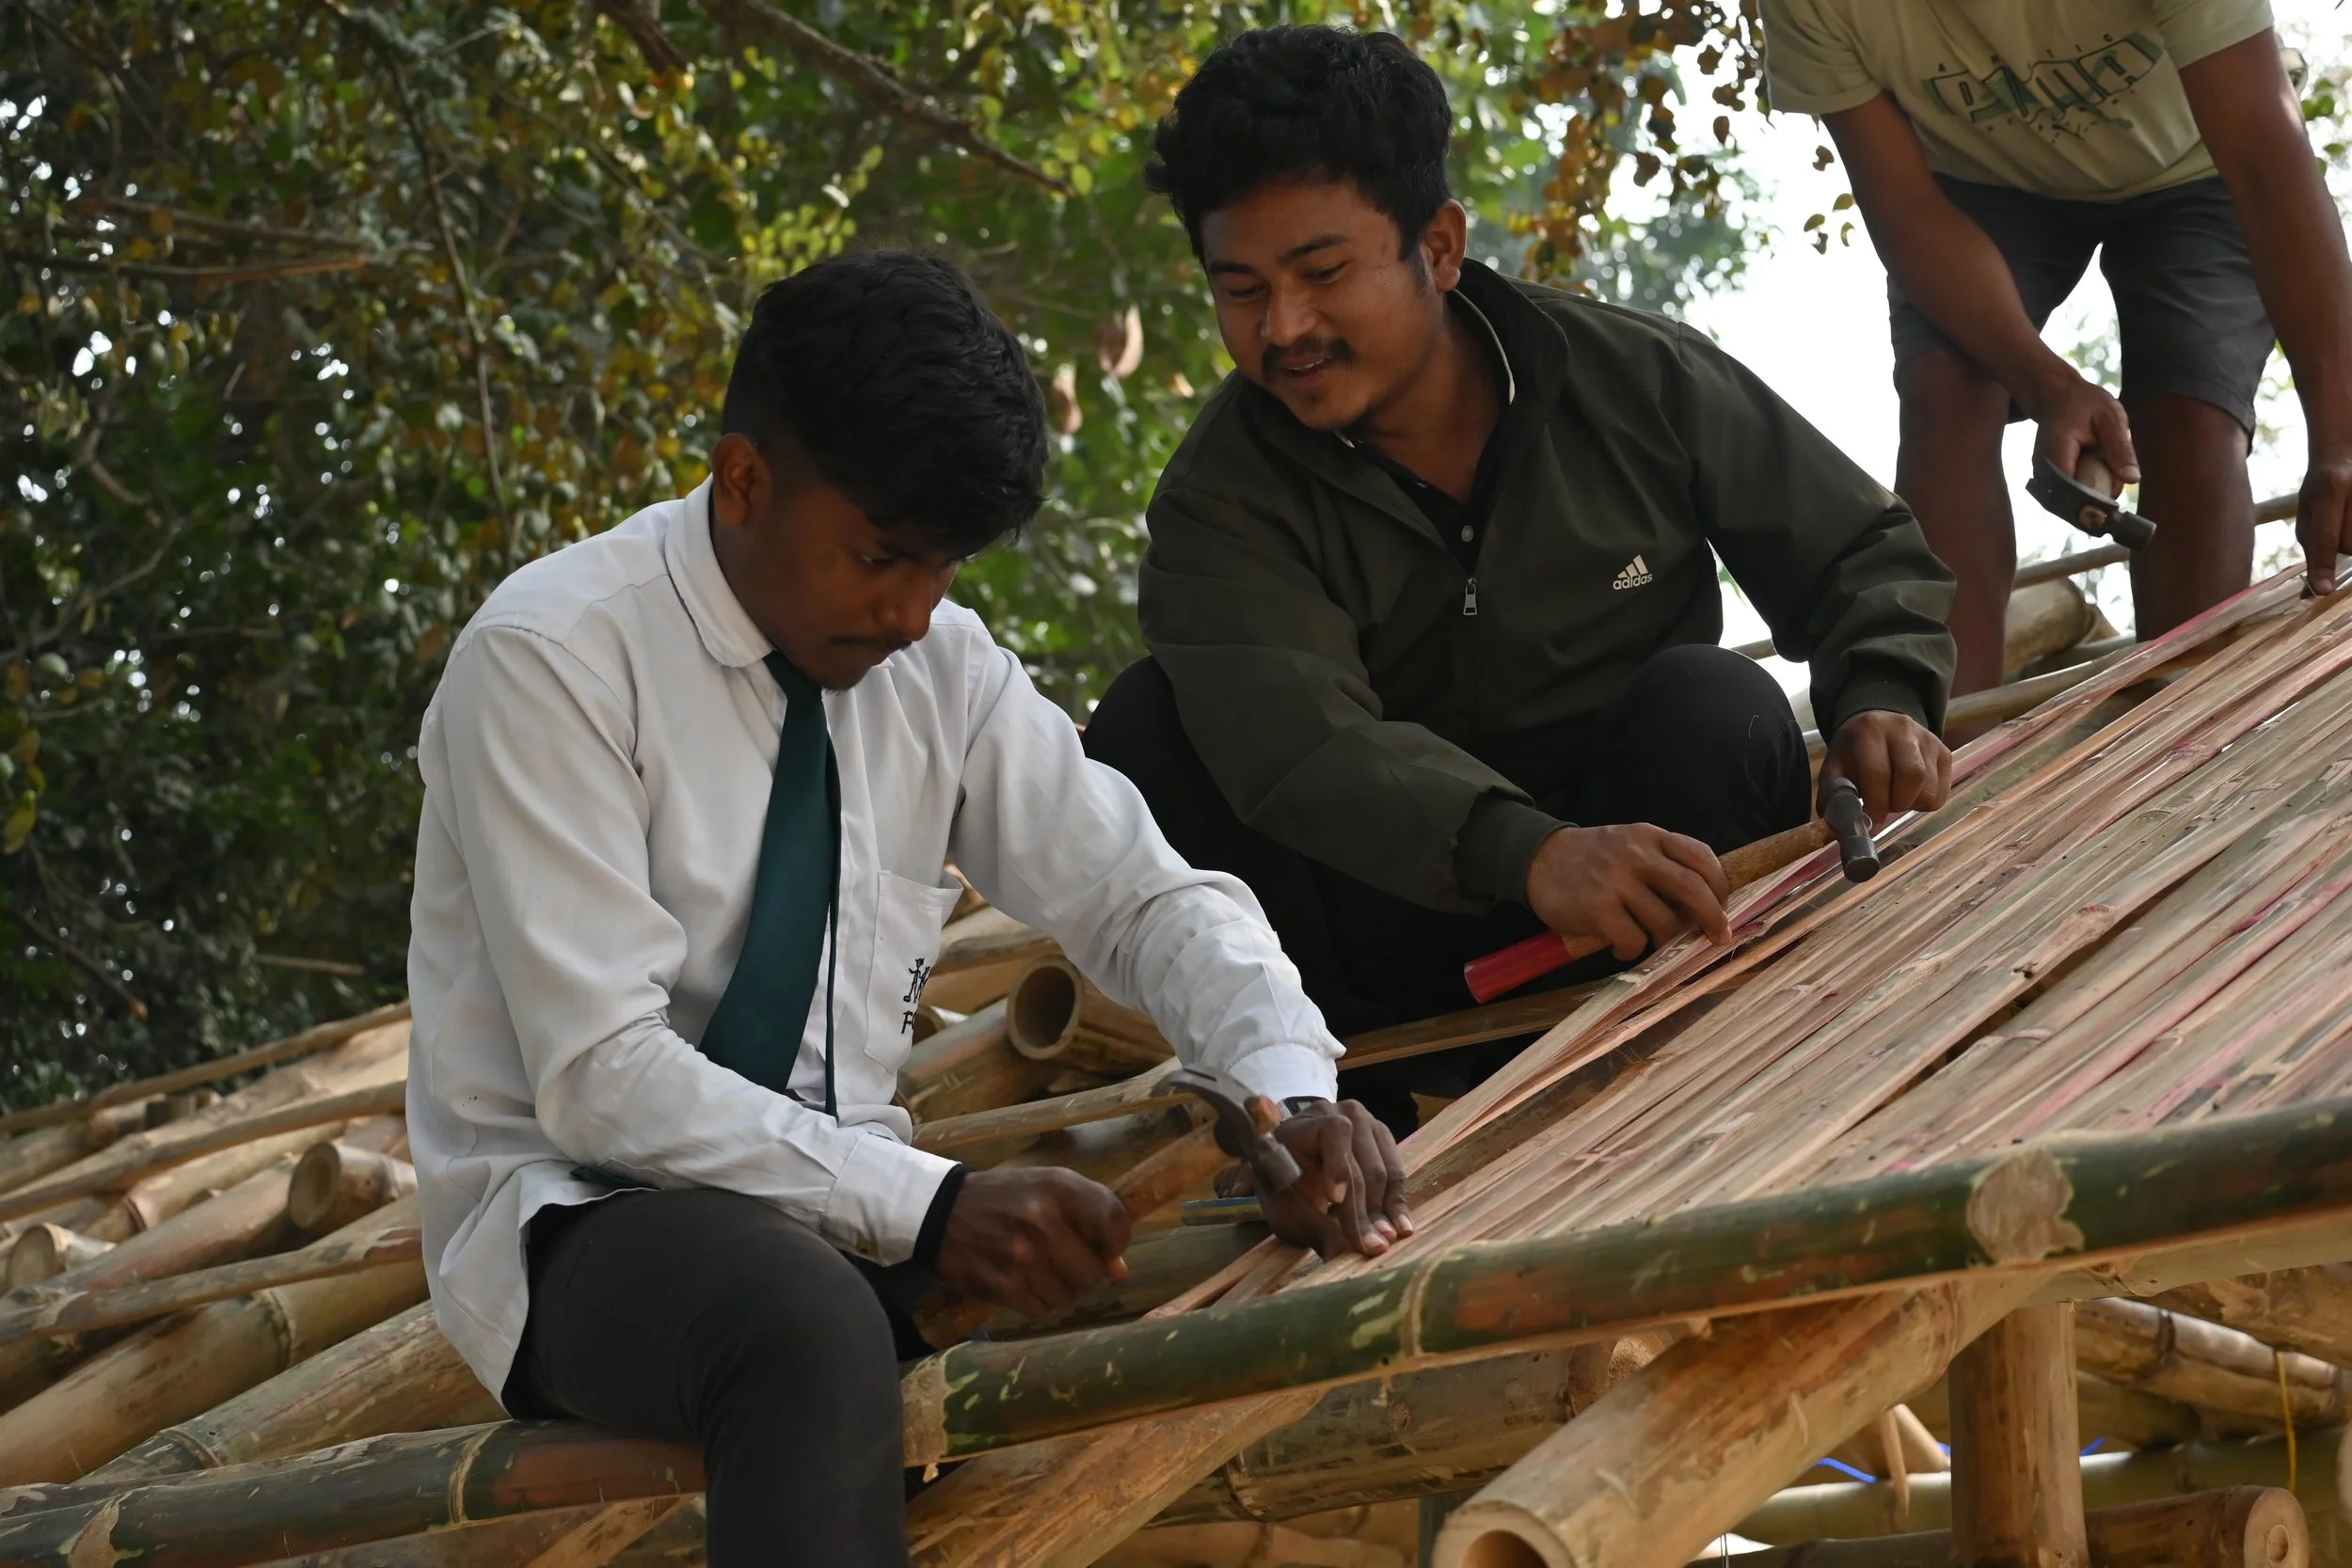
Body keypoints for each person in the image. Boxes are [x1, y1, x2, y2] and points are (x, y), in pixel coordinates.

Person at [405, 250, 1407, 1568]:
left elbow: (1147, 894)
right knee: (806, 1322)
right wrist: (931, 1206)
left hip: (850, 1200)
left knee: (1149, 1275)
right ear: (743, 478)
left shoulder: (940, 666)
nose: (912, 609)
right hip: (581, 1218)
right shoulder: (549, 658)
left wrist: (1292, 1089)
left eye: (943, 566)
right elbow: (603, 1080)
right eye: (880, 556)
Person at [1080, 26, 1962, 1133]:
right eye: (1241, 289)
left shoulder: (1633, 376)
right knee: (1145, 724)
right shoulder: (1219, 503)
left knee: (1720, 704)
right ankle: (1349, 1123)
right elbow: (1301, 745)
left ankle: (1706, 1061)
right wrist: (1528, 851)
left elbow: (1857, 549)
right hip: (1386, 970)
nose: (1283, 329)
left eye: (1321, 274)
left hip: (1656, 907)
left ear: (1439, 247)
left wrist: (1881, 690)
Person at [1760, 0, 2352, 702]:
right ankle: (1947, 770)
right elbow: (1904, 208)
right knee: (1945, 393)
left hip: (2197, 160)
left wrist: (2341, 441)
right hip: (1981, 181)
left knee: (2192, 414)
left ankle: (2181, 740)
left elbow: (2263, 158)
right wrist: (2046, 384)